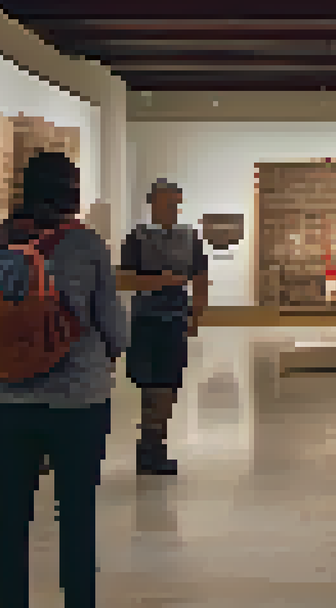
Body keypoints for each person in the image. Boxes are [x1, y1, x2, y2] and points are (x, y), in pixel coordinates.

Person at [0, 151, 126, 608]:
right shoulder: (86, 244)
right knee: (77, 516)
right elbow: (110, 321)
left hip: (8, 400)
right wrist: (113, 352)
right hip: (78, 398)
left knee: (11, 517)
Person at [119, 179, 208, 476]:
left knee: (167, 385)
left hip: (174, 319)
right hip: (146, 319)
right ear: (153, 204)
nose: (171, 209)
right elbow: (125, 279)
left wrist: (195, 316)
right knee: (150, 384)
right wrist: (161, 280)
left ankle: (156, 445)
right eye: (166, 203)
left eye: (175, 203)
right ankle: (148, 446)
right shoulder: (137, 237)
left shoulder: (189, 238)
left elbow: (199, 276)